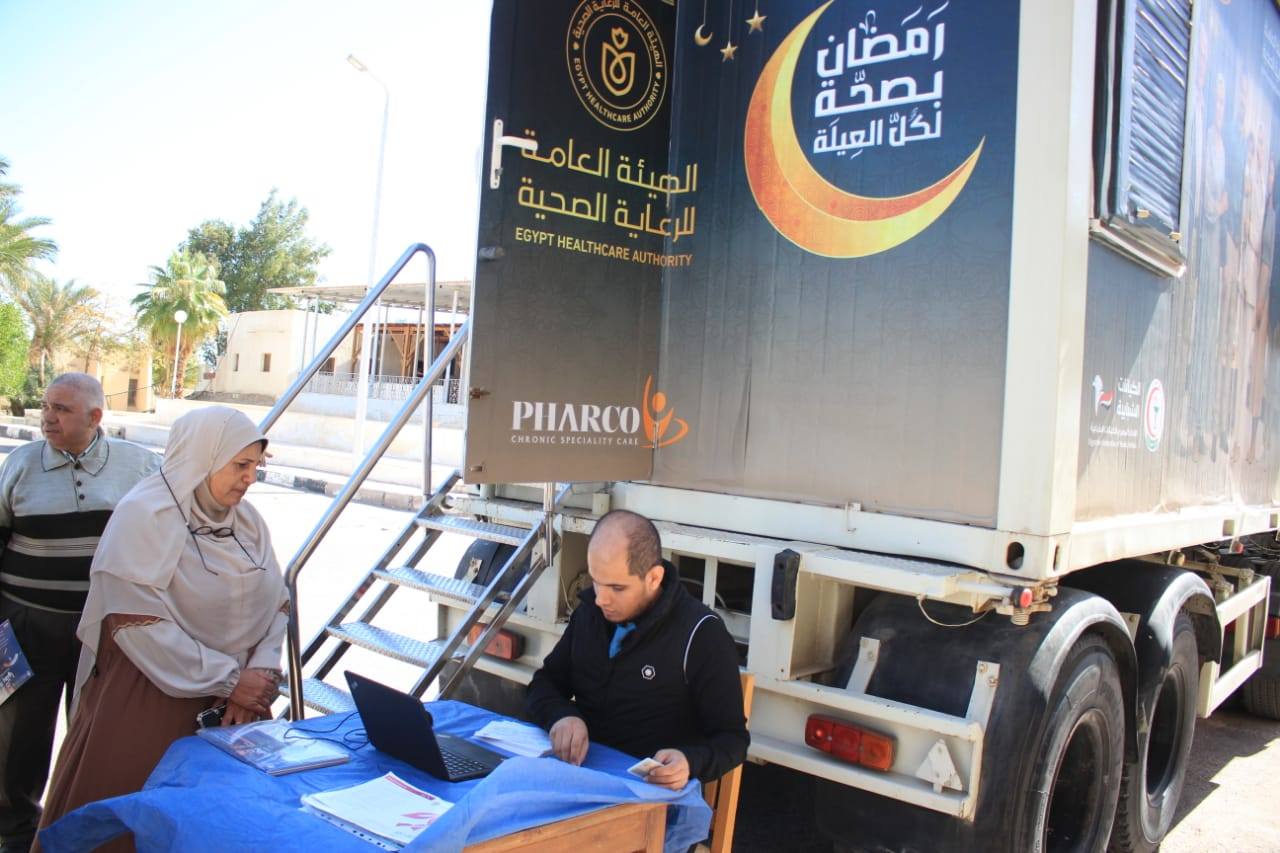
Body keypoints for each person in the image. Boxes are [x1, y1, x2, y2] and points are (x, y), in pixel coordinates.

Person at [33, 406, 289, 853]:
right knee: (132, 825)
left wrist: (259, 676)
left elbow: (277, 602)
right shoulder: (146, 515)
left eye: (255, 466)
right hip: (153, 699)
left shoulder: (247, 523)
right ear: (204, 457)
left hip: (238, 707)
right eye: (239, 465)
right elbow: (137, 624)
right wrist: (229, 680)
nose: (249, 478)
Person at [0, 374, 159, 853]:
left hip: (104, 627)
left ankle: (76, 833)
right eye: (46, 406)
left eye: (62, 409)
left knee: (94, 735)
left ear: (95, 417)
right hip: (27, 624)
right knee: (18, 738)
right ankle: (15, 835)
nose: (47, 417)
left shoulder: (139, 465)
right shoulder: (20, 464)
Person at [526, 509, 748, 791]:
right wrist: (561, 716)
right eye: (596, 581)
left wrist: (689, 762)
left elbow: (733, 740)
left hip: (652, 796)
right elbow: (543, 684)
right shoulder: (590, 613)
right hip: (580, 777)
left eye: (617, 588)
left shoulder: (701, 634)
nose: (602, 599)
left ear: (654, 578)